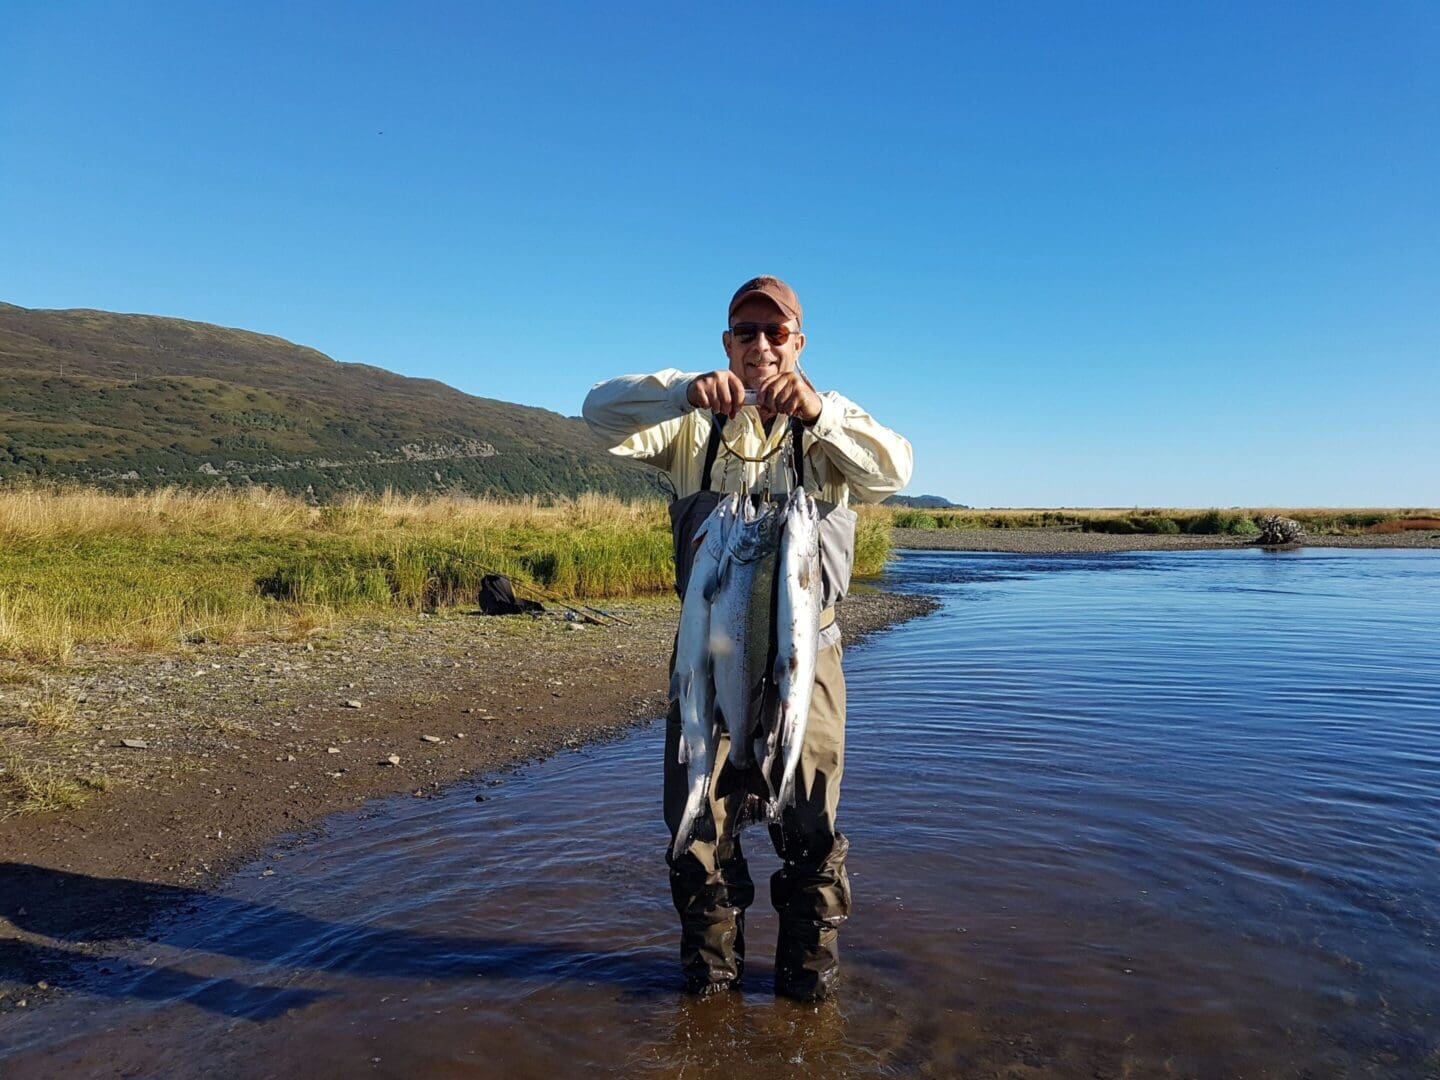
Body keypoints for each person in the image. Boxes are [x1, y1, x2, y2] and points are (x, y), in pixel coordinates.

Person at [583, 275, 913, 1001]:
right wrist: (680, 393)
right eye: (744, 331)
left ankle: (806, 992)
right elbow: (595, 412)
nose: (759, 345)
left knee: (811, 827)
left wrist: (821, 413)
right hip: (711, 655)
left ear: (798, 342)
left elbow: (895, 470)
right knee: (699, 821)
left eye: (774, 332)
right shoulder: (691, 423)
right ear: (726, 341)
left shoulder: (833, 425)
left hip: (809, 657)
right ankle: (710, 988)